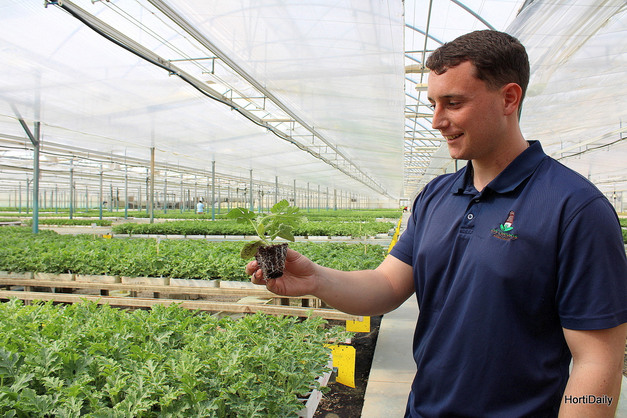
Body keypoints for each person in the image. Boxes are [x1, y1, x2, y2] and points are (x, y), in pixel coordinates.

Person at [246, 30, 627, 417]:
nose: (436, 121)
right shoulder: (435, 196)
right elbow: (387, 285)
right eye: (433, 104)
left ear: (509, 99)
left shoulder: (575, 208)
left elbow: (597, 361)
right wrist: (316, 280)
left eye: (453, 103)